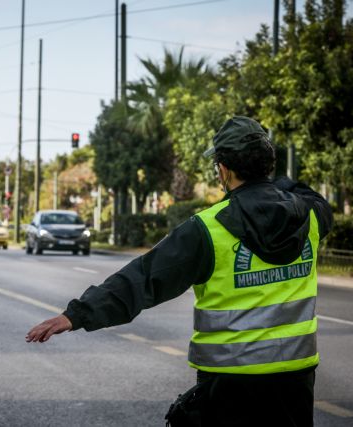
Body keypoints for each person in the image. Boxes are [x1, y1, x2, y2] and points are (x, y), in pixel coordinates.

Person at [26, 116, 333, 427]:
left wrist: (78, 314)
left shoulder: (208, 229)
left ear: (223, 170)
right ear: (268, 165)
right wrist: (266, 177)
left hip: (230, 385)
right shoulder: (309, 216)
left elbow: (145, 277)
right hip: (296, 380)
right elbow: (305, 193)